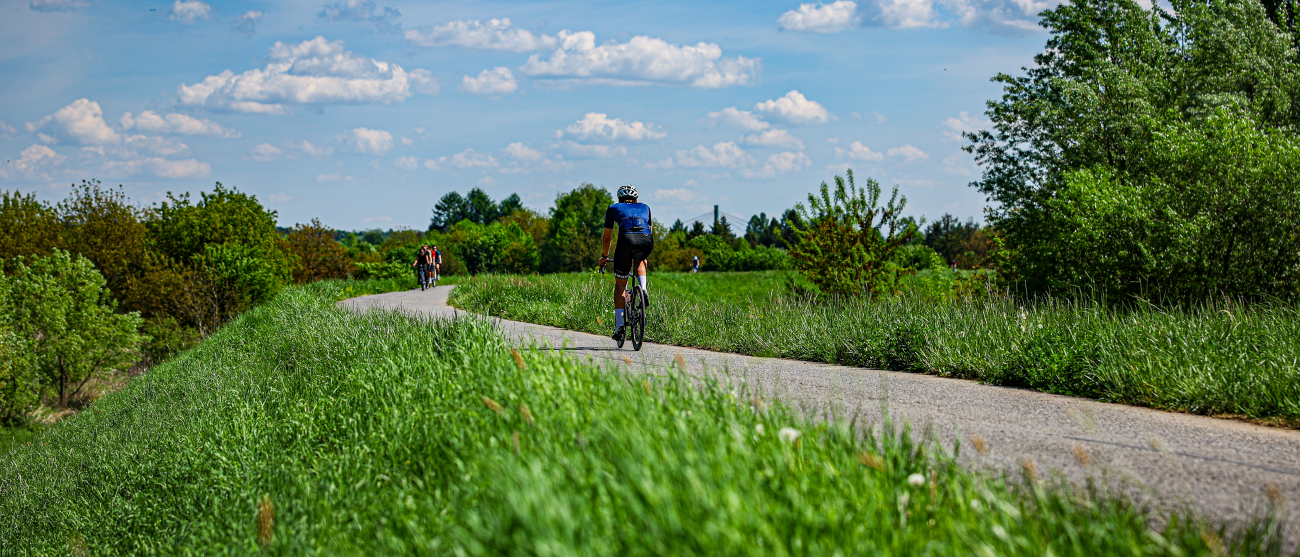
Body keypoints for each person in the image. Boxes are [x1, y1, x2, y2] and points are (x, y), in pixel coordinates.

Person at [597, 185, 653, 342]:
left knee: (621, 284)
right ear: (636, 200)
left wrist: (604, 256)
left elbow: (607, 237)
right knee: (641, 260)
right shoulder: (645, 207)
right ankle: (643, 289)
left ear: (619, 199)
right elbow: (649, 229)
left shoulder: (613, 208)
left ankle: (620, 325)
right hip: (646, 239)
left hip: (626, 240)